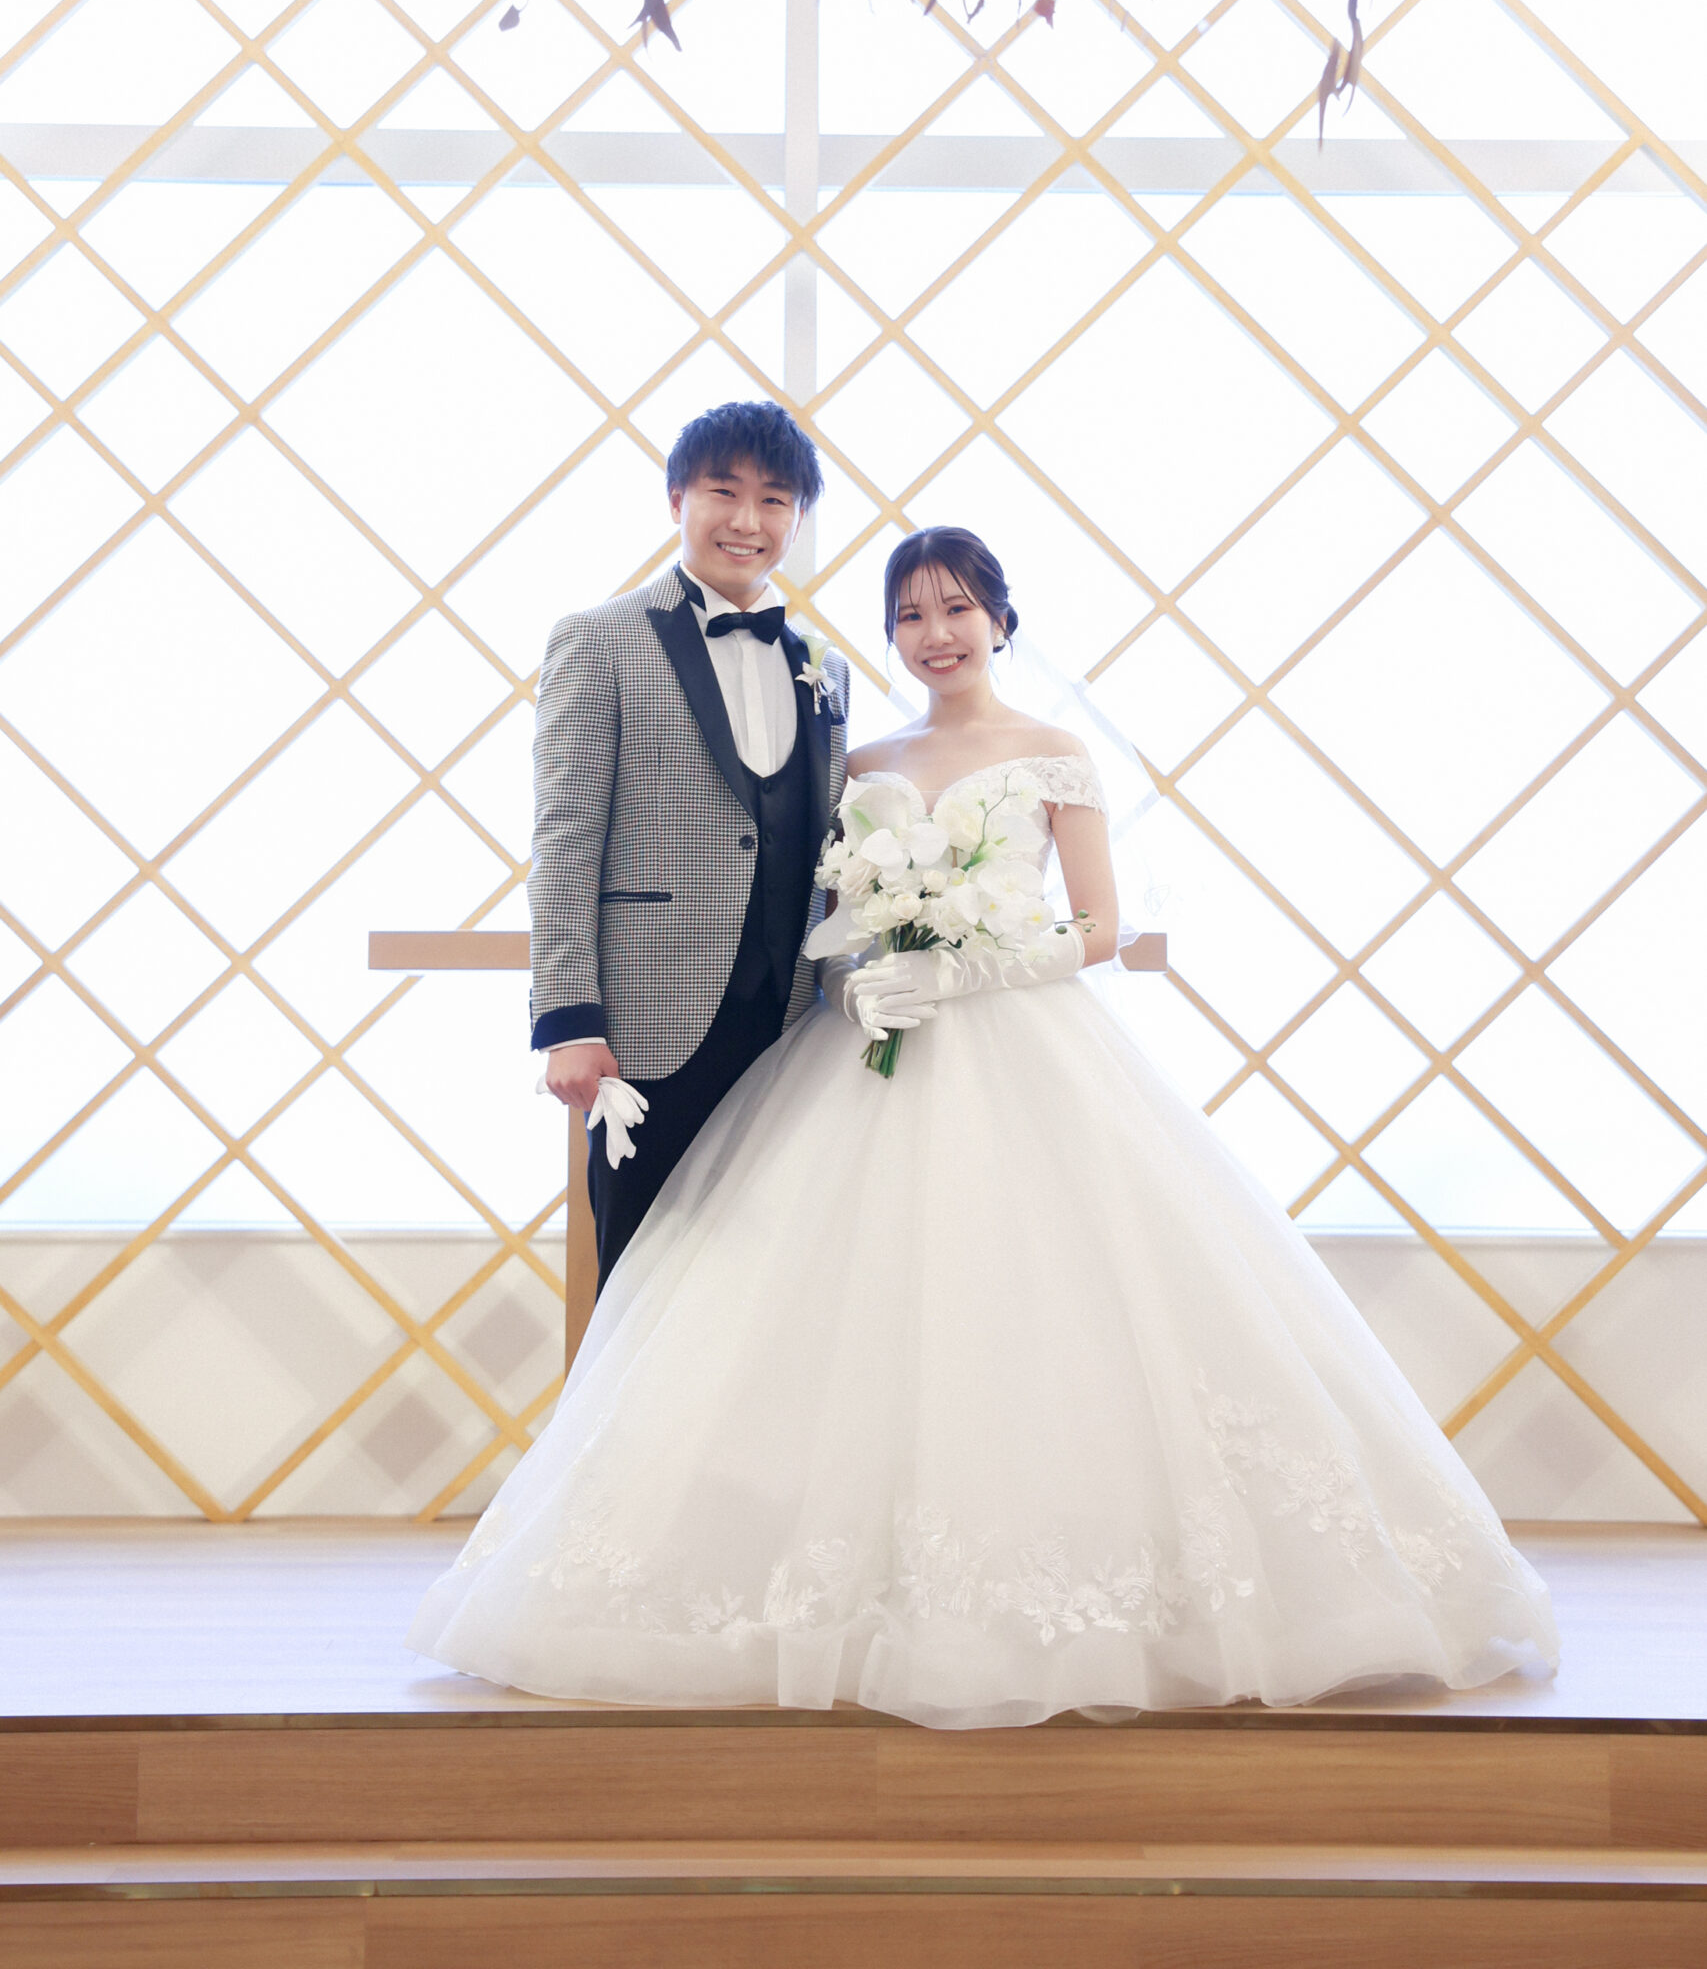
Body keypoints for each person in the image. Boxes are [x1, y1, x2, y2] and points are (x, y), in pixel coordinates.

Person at [412, 527, 1558, 1725]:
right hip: (868, 1061)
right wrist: (856, 983)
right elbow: (831, 913)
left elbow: (1101, 923)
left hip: (1025, 1046)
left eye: (957, 608)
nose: (936, 633)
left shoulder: (1056, 754)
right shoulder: (861, 761)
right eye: (910, 615)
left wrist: (964, 971)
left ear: (1000, 621)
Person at [528, 399, 848, 1288]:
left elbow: (824, 844)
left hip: (788, 1030)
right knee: (640, 1282)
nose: (748, 520)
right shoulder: (597, 640)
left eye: (774, 500)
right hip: (648, 1030)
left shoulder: (824, 668)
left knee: (766, 1288)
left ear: (796, 519)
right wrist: (568, 1020)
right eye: (723, 491)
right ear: (677, 499)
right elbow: (564, 835)